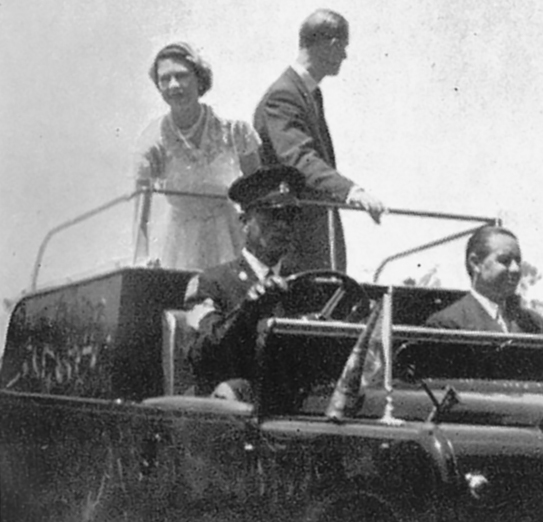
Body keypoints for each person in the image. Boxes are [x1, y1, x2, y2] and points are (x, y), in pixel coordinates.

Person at [254, 8, 384, 274]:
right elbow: (298, 157)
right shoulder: (284, 95)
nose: (345, 56)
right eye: (343, 47)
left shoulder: (306, 93)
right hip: (294, 236)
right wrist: (351, 191)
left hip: (311, 233)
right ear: (331, 45)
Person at [136, 42, 262, 270]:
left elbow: (258, 196)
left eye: (181, 76)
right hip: (179, 242)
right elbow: (142, 213)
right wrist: (141, 260)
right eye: (165, 79)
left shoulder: (234, 130)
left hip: (228, 235)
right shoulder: (152, 141)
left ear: (199, 79)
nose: (173, 86)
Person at [184, 166, 304, 396]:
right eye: (271, 215)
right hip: (236, 401)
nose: (282, 225)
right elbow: (204, 358)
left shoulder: (305, 286)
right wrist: (247, 312)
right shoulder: (210, 284)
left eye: (290, 216)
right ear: (245, 221)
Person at [424, 226, 543, 334]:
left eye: (518, 261)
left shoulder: (537, 325)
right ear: (475, 263)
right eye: (504, 260)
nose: (515, 269)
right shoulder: (447, 325)